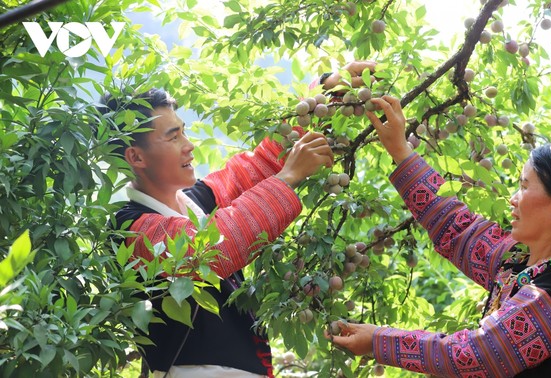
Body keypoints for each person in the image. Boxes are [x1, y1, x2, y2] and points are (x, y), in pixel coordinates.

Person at [101, 61, 375, 378]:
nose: (189, 145)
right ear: (135, 157)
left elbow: (258, 165)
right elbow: (212, 247)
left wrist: (329, 89)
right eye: (174, 137)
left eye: (184, 132)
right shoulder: (131, 229)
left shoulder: (195, 201)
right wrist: (288, 179)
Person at [329, 96, 551, 377]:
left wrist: (379, 340)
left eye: (524, 187)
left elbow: (476, 355)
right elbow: (455, 227)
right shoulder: (518, 260)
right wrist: (400, 149)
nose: (513, 199)